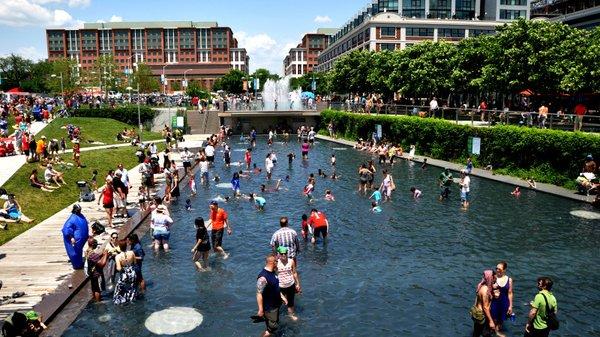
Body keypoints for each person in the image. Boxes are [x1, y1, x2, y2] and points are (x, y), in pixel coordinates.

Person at [256, 254, 286, 337]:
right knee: (272, 329)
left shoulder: (273, 272)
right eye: (277, 261)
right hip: (270, 308)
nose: (278, 264)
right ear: (273, 262)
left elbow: (275, 286)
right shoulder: (263, 278)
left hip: (276, 305)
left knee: (273, 325)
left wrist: (282, 296)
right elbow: (259, 294)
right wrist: (261, 310)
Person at [276, 246, 301, 321]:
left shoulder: (291, 261)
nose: (283, 255)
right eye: (282, 253)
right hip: (280, 286)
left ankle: (291, 315)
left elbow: (294, 273)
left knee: (291, 302)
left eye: (285, 253)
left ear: (287, 253)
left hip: (290, 284)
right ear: (279, 254)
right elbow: (273, 275)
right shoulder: (276, 263)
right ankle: (276, 316)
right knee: (278, 302)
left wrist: (297, 284)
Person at [61, 204, 89, 269]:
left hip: (81, 240)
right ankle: (76, 265)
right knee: (73, 252)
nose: (79, 211)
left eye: (80, 210)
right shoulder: (72, 219)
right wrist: (71, 237)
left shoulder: (81, 216)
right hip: (74, 240)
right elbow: (66, 229)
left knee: (79, 251)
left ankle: (79, 263)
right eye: (78, 210)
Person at [471, 269, 496, 337]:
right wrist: (491, 321)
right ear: (491, 277)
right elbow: (485, 307)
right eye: (494, 277)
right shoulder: (485, 290)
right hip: (482, 316)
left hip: (476, 313)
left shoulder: (481, 285)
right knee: (486, 334)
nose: (495, 279)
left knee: (476, 333)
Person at [113, 239, 138, 305]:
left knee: (121, 289)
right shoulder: (132, 252)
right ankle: (131, 299)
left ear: (119, 247)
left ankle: (121, 301)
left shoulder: (118, 256)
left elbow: (119, 268)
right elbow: (135, 263)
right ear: (126, 246)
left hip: (124, 274)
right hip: (132, 272)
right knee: (132, 287)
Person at [491, 261, 513, 334]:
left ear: (504, 270)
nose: (497, 270)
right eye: (496, 268)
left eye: (499, 269)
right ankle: (494, 333)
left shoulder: (509, 280)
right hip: (494, 303)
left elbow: (510, 293)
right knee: (493, 321)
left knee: (500, 322)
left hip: (504, 303)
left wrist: (510, 306)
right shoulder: (493, 278)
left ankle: (497, 332)